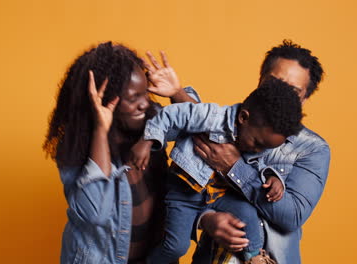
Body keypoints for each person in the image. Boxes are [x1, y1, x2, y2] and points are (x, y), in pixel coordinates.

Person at [44, 42, 193, 264]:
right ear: (104, 100)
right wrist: (100, 130)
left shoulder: (152, 122)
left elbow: (208, 133)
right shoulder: (77, 146)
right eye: (134, 98)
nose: (144, 104)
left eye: (146, 94)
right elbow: (96, 214)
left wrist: (177, 92)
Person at [130, 77, 302, 264]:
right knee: (176, 247)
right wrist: (147, 141)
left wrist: (273, 178)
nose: (258, 150)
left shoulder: (259, 137)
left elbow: (258, 164)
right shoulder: (212, 116)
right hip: (186, 194)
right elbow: (171, 115)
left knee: (248, 214)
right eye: (257, 144)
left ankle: (253, 257)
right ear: (243, 118)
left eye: (265, 148)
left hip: (220, 196)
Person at [191, 40, 330, 264]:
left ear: (305, 98)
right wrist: (205, 220)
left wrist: (234, 167)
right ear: (260, 80)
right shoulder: (223, 126)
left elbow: (291, 216)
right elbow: (182, 191)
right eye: (273, 83)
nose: (279, 95)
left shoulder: (313, 149)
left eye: (293, 91)